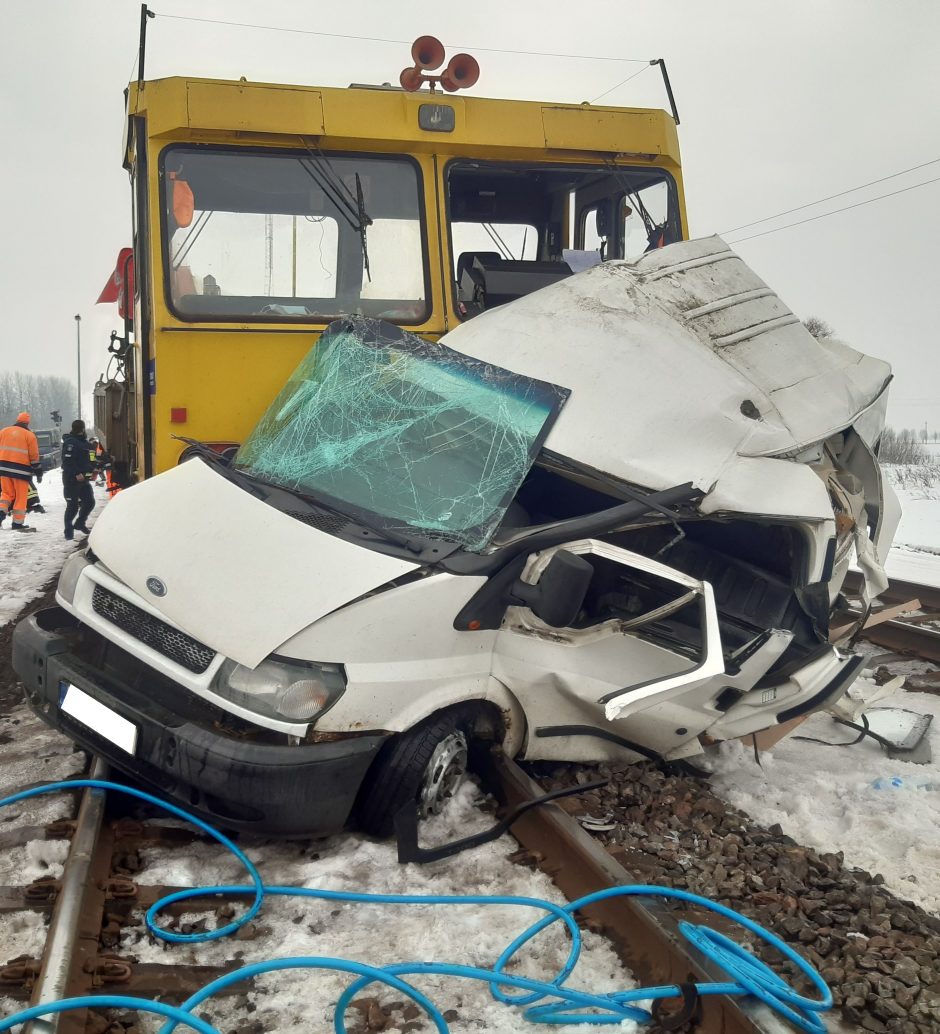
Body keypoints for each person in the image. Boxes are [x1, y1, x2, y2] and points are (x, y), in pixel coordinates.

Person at [0, 411, 43, 532]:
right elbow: (34, 456)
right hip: (21, 471)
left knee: (6, 494)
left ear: (17, 420)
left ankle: (0, 514)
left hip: (3, 468)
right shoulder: (29, 435)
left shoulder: (3, 431)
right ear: (27, 422)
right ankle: (17, 523)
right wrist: (38, 472)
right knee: (20, 496)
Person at [62, 419, 96, 541]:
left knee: (90, 502)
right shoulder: (70, 443)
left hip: (84, 480)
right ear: (82, 429)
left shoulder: (86, 444)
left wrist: (94, 468)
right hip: (72, 479)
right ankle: (68, 532)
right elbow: (67, 461)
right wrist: (76, 473)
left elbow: (90, 460)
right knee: (72, 506)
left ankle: (80, 523)